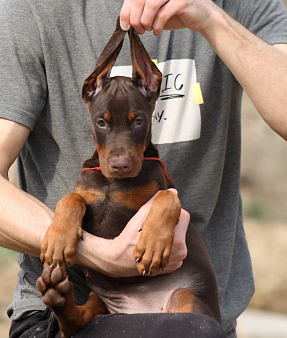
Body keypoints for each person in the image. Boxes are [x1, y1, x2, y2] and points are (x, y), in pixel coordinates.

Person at [0, 0, 287, 337]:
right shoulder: (30, 8)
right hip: (80, 308)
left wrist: (211, 18)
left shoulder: (236, 4)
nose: (120, 157)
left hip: (194, 314)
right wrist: (98, 253)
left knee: (191, 330)